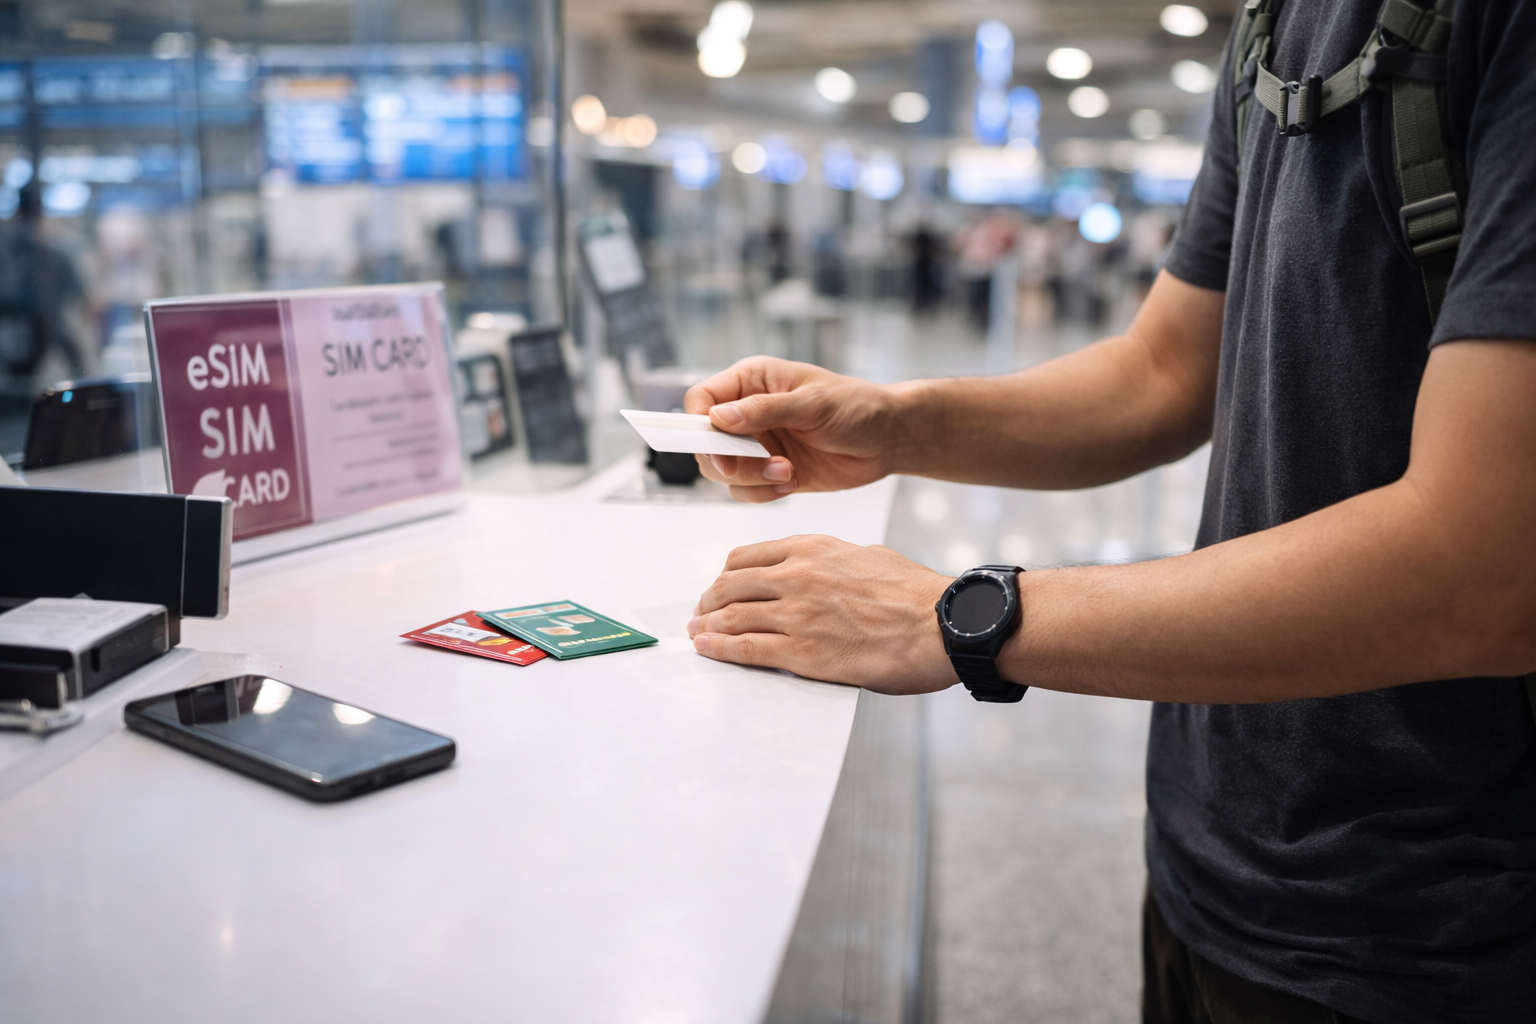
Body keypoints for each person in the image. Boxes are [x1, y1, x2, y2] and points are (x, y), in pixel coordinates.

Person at [682, 1, 1536, 1021]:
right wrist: (896, 422)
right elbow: (1164, 370)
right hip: (1216, 851)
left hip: (1439, 923)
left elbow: (1485, 564)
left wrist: (955, 617)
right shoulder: (1274, 23)